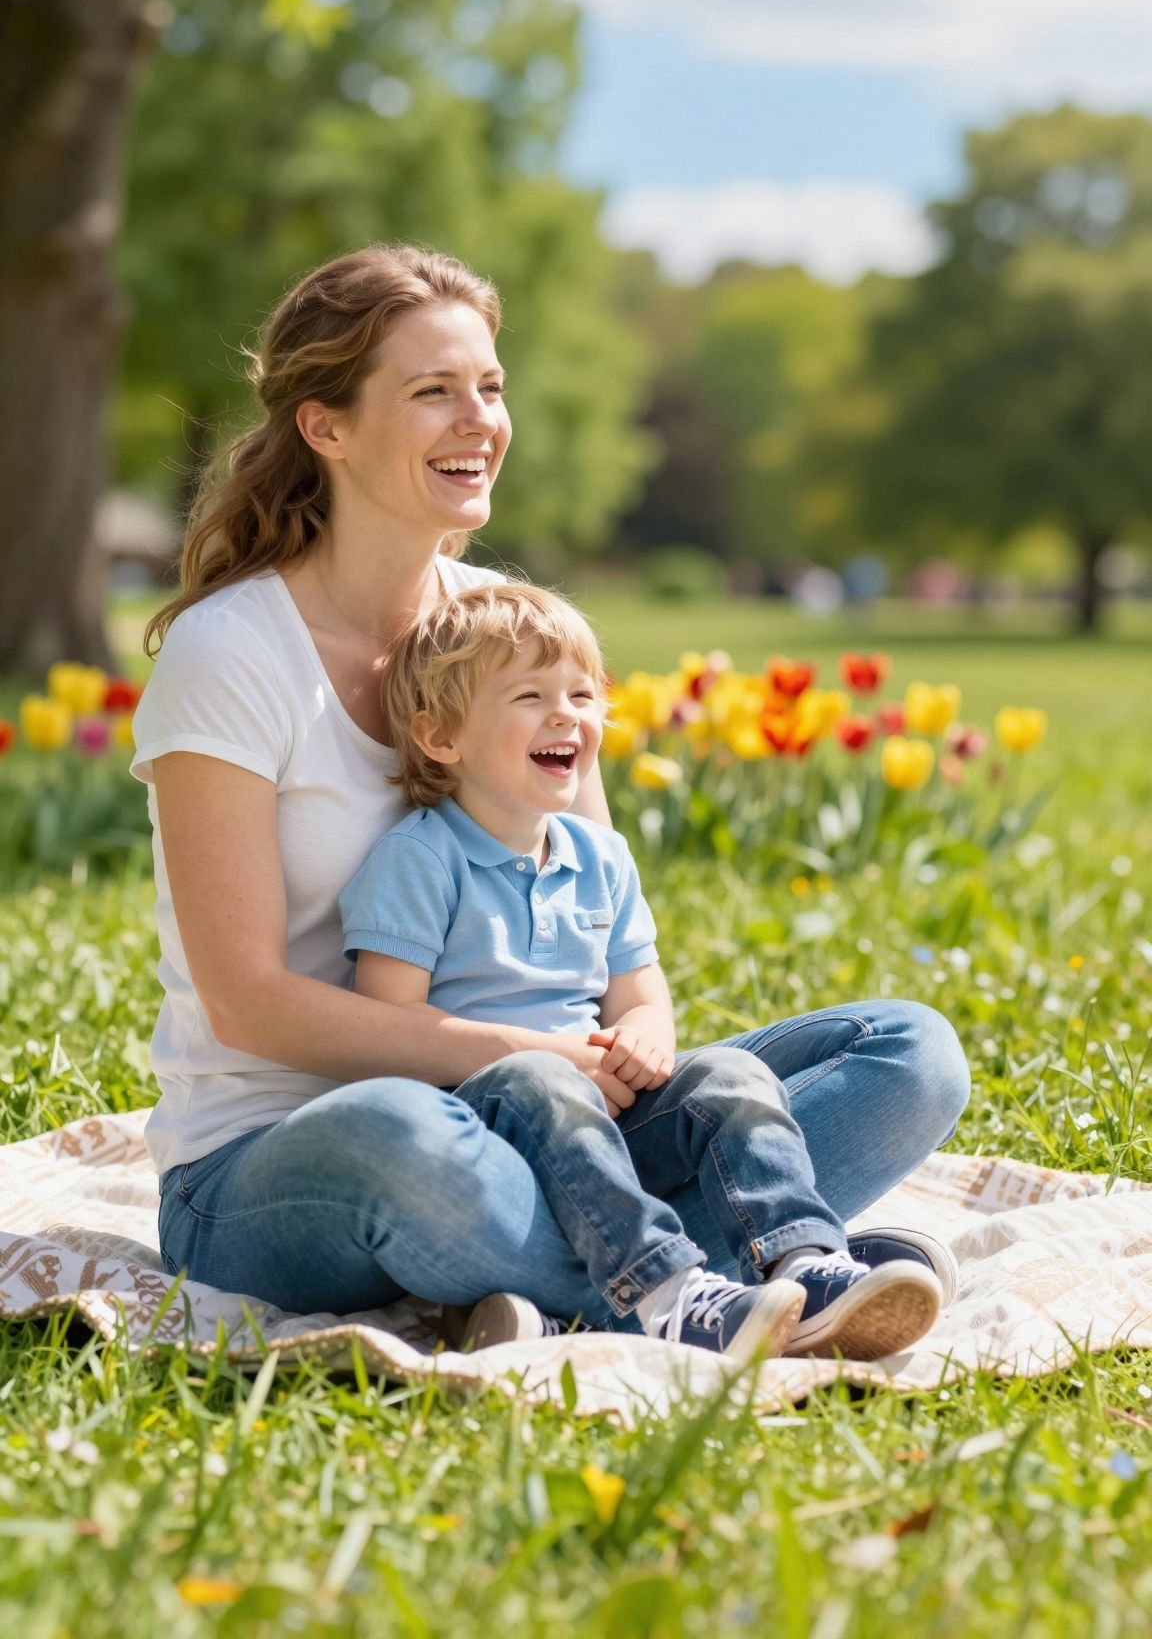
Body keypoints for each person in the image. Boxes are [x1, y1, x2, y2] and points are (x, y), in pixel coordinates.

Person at [136, 242, 971, 1339]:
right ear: (325, 424)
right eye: (433, 390)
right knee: (409, 1140)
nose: (478, 418)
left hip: (560, 1117)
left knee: (910, 1052)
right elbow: (248, 998)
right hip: (295, 1152)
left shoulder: (513, 631)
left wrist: (633, 1037)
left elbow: (596, 908)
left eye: (489, 386)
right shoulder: (233, 650)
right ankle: (715, 1278)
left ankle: (685, 1272)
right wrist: (515, 1054)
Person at [340, 580, 946, 1362]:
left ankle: (804, 1263)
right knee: (544, 1082)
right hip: (484, 1129)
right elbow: (388, 1028)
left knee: (726, 1073)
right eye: (529, 695)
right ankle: (669, 1295)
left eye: (583, 694)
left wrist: (643, 1038)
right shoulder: (421, 859)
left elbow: (639, 994)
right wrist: (551, 1057)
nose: (567, 715)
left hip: (607, 1110)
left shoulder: (601, 857)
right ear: (439, 736)